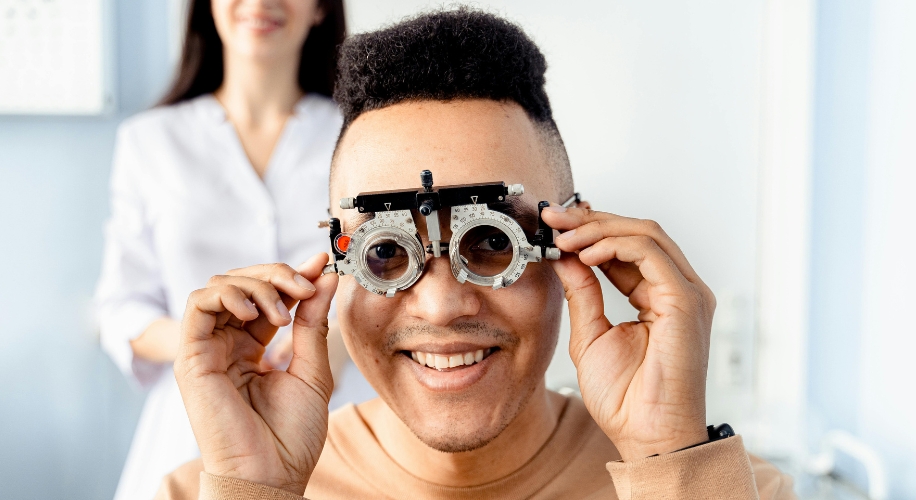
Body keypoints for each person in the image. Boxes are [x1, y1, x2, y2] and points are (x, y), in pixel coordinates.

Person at [156, 8, 796, 499]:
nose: (440, 305)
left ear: (574, 245)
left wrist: (668, 460)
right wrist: (254, 487)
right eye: (387, 251)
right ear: (332, 269)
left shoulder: (726, 486)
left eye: (490, 242)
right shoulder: (215, 488)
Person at [94, 1, 348, 499]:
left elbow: (398, 271)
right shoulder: (149, 140)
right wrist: (209, 344)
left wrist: (334, 345)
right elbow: (121, 309)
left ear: (320, 7)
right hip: (194, 417)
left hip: (342, 408)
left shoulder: (363, 134)